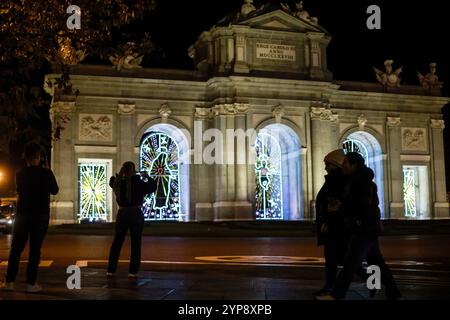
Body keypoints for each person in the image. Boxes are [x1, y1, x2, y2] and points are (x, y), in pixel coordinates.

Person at [318, 152, 402, 300]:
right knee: (376, 262)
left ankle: (336, 294)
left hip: (363, 227)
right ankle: (392, 293)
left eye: (345, 163)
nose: (343, 166)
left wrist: (340, 207)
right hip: (366, 226)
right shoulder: (357, 179)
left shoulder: (360, 181)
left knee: (350, 264)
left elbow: (361, 205)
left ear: (354, 165)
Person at [0, 142, 59, 293]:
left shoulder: (20, 173)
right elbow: (55, 190)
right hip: (40, 216)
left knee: (16, 249)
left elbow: (20, 189)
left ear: (25, 157)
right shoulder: (46, 173)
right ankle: (31, 283)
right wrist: (46, 169)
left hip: (23, 215)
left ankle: (10, 281)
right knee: (35, 250)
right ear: (40, 157)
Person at [107, 161, 157, 279]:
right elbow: (152, 187)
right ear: (133, 170)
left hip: (122, 213)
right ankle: (133, 271)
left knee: (117, 243)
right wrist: (146, 177)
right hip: (136, 213)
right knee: (136, 243)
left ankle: (111, 270)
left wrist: (120, 175)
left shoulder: (118, 183)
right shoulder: (138, 182)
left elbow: (111, 181)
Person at [314, 149, 349, 296]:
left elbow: (332, 203)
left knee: (337, 258)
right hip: (333, 225)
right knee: (338, 258)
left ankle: (331, 286)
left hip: (334, 226)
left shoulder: (335, 180)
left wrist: (327, 222)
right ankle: (330, 286)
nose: (325, 167)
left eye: (327, 164)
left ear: (334, 165)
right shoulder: (333, 179)